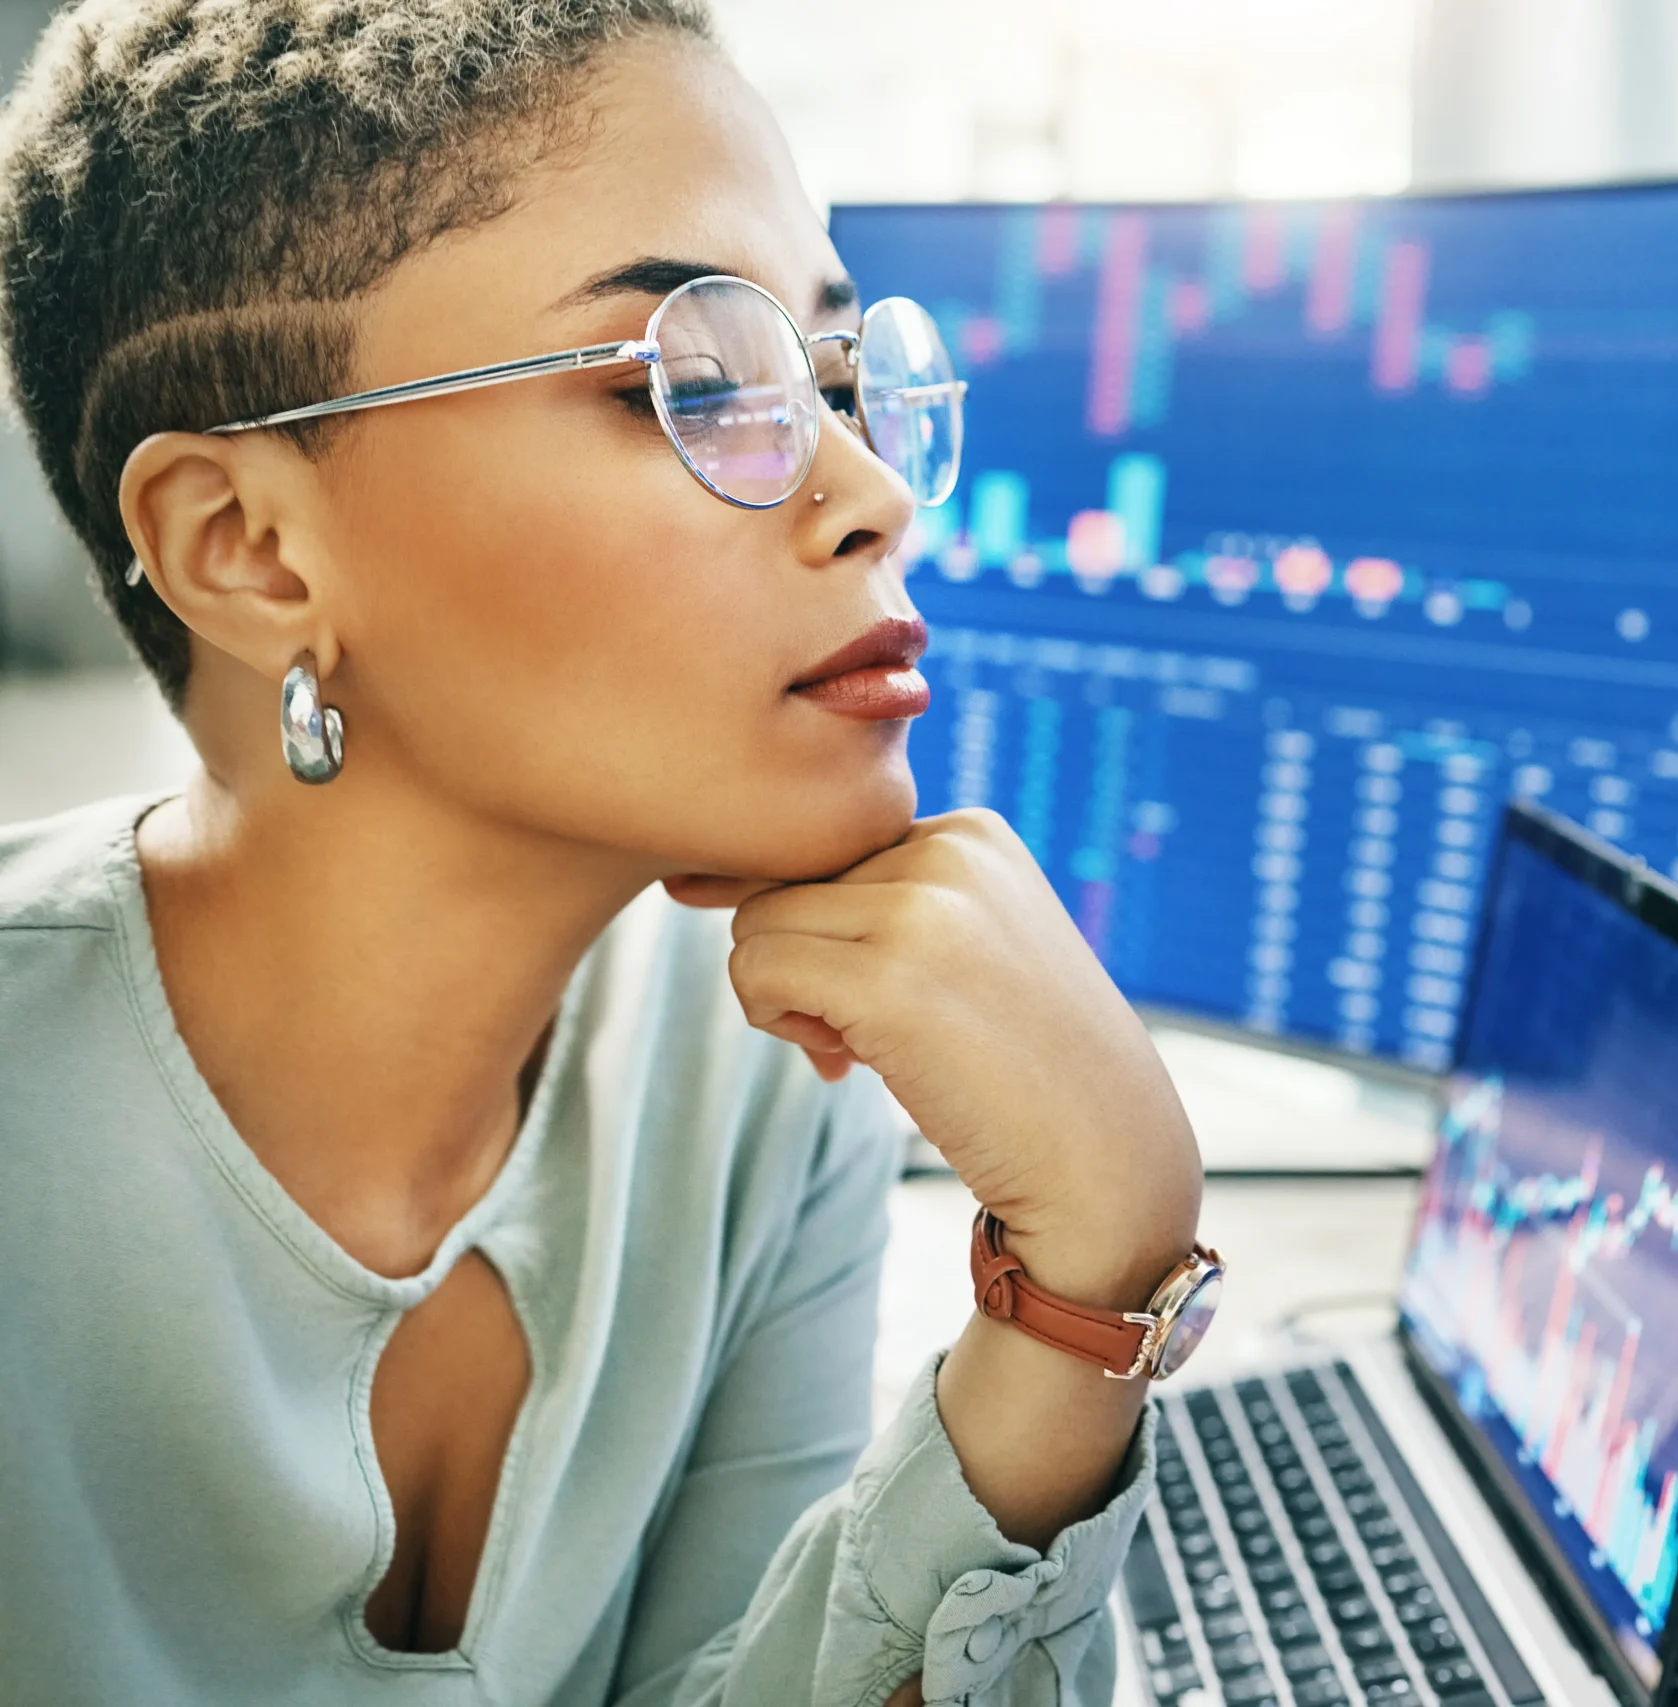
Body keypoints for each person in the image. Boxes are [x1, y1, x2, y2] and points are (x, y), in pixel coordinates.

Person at [0, 3, 1213, 1702]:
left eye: (841, 374)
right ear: (251, 550)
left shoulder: (771, 1077)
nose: (870, 490)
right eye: (695, 386)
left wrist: (1089, 1285)